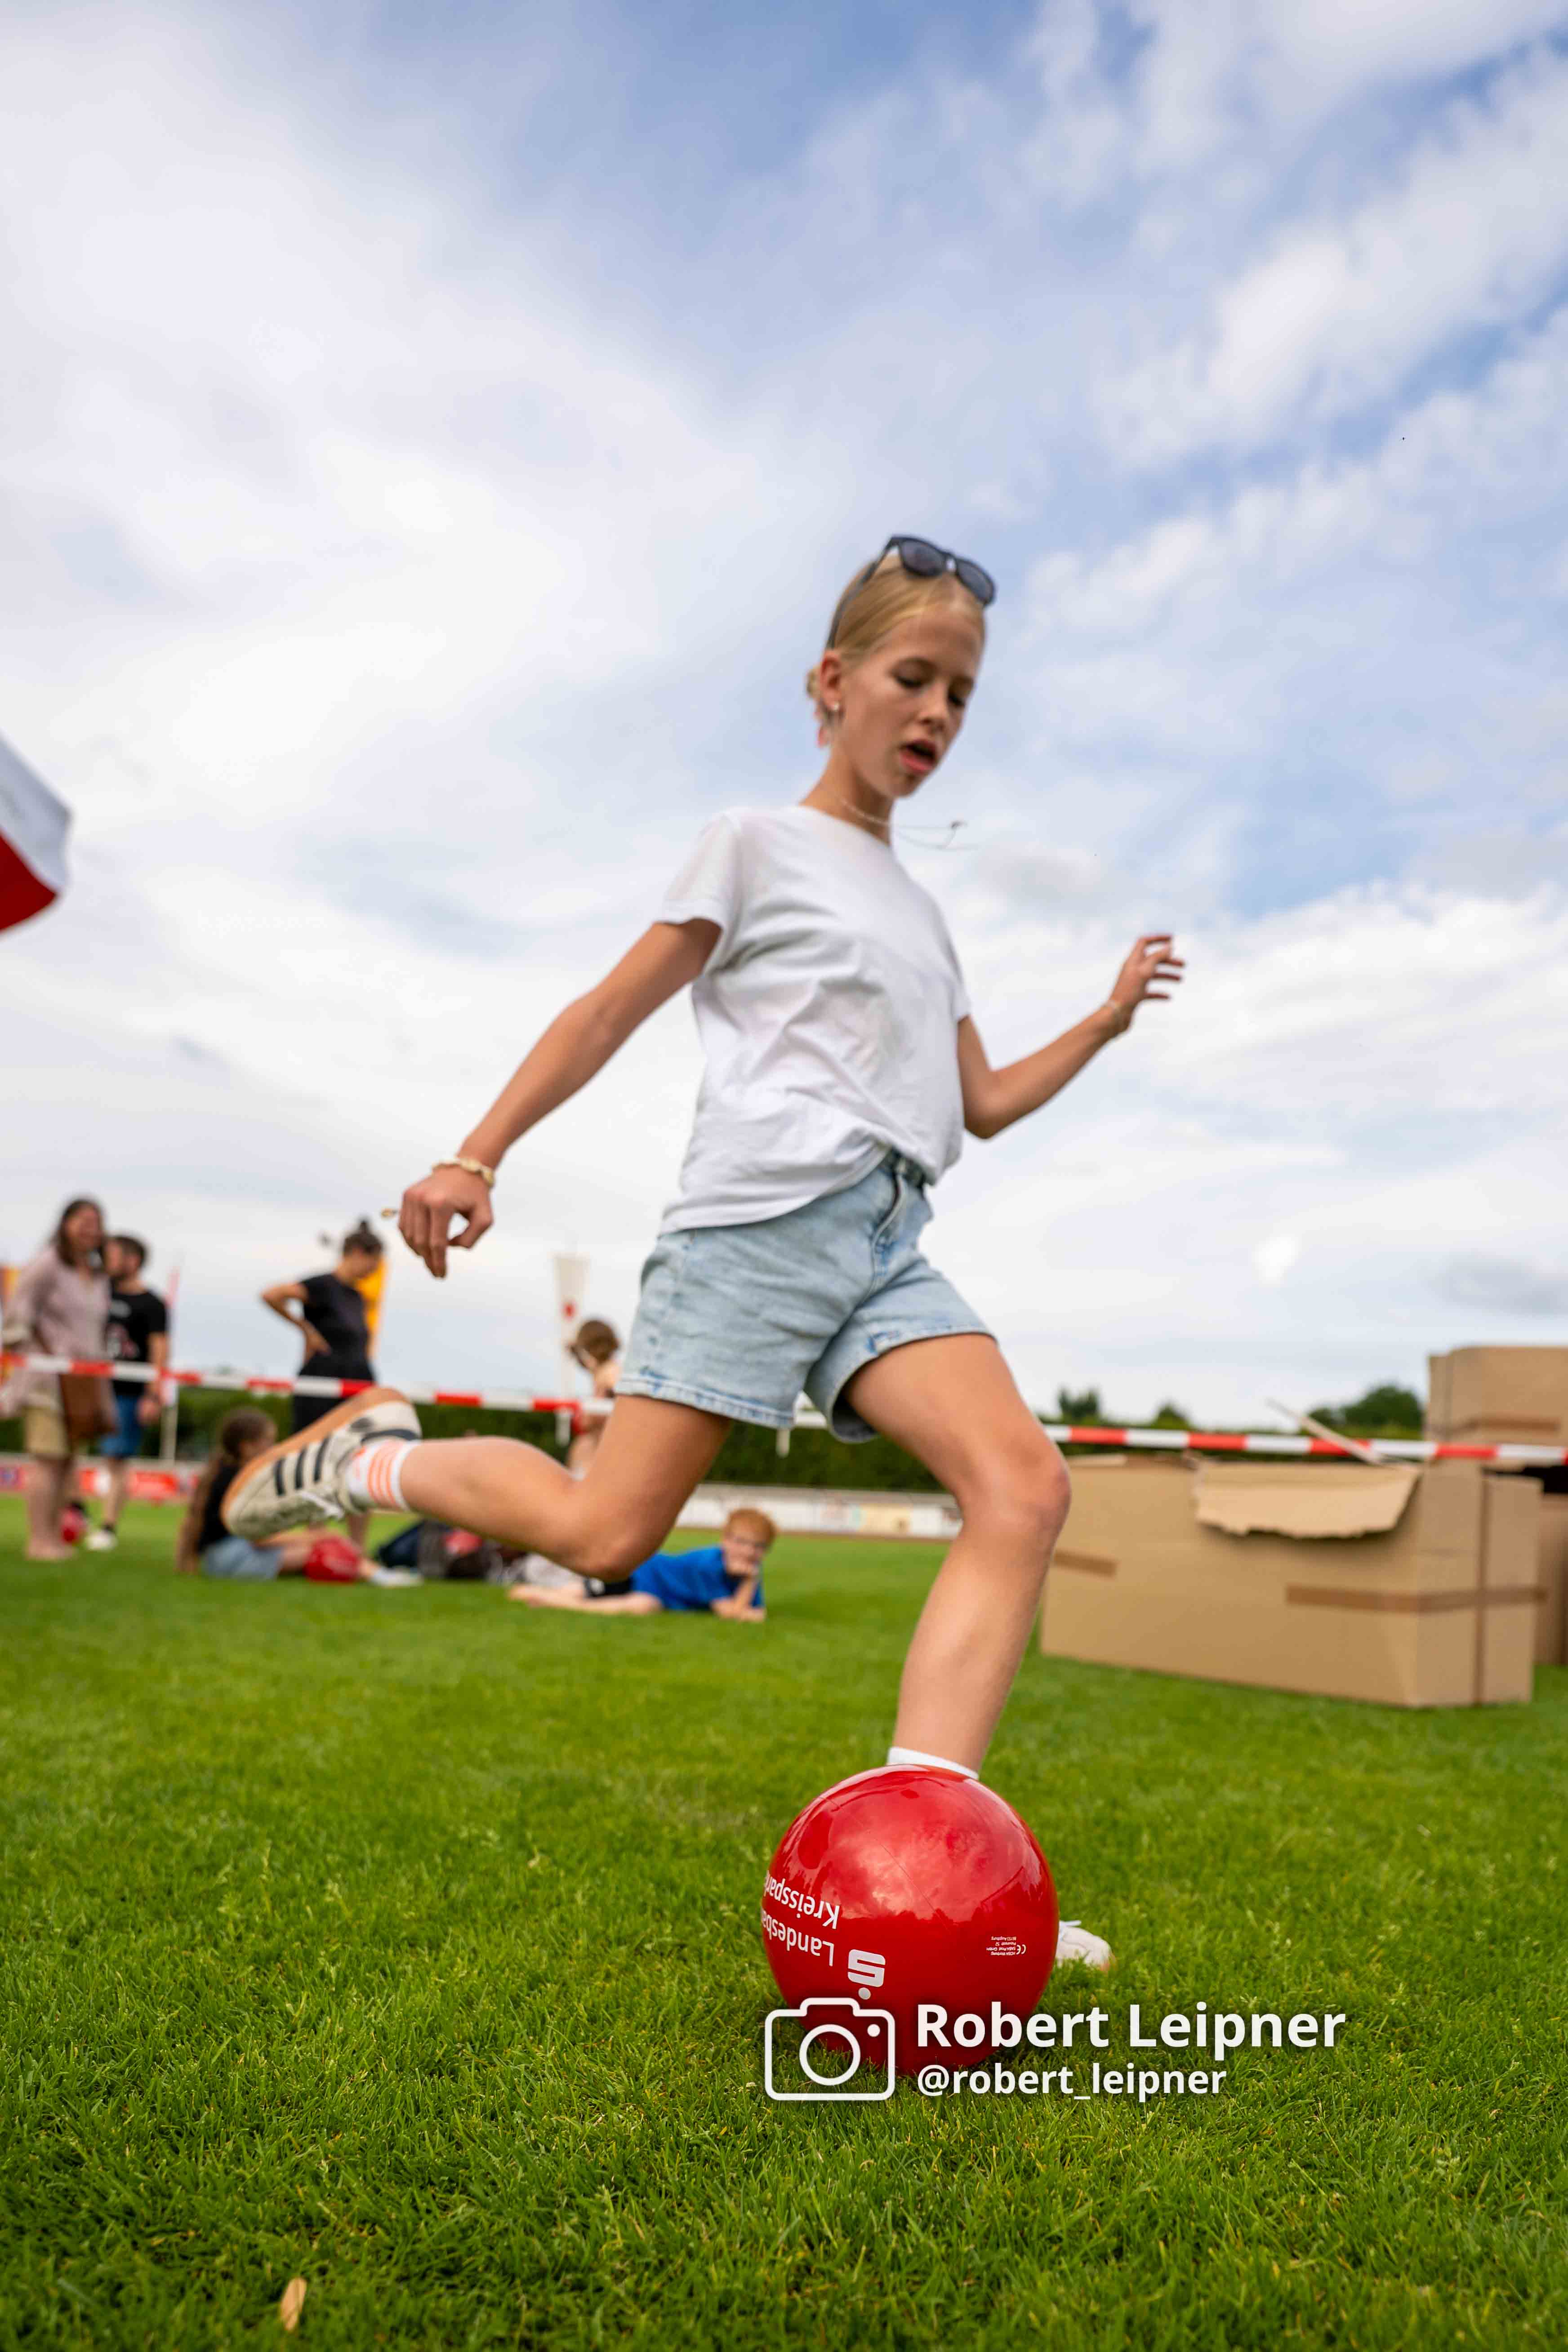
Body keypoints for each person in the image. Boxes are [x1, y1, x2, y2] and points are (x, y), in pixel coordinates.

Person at [223, 535, 1184, 1967]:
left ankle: (937, 1874)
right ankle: (368, 1458)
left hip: (884, 1238)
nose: (933, 716)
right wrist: (475, 1153)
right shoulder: (753, 842)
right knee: (608, 1536)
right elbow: (609, 1008)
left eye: (960, 697)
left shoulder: (922, 916)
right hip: (753, 1232)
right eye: (911, 679)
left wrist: (1101, 1023)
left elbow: (975, 1105)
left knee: (1022, 1487)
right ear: (832, 679)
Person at [175, 1408, 414, 1584]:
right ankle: (380, 1576)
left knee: (321, 1543)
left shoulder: (223, 1474)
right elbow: (260, 1539)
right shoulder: (240, 1482)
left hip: (220, 1559)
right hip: (233, 1558)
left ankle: (377, 1574)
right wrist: (316, 1537)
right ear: (247, 1447)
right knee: (322, 1550)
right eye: (268, 1441)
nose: (275, 1447)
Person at [259, 1220, 383, 1550]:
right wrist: (305, 1329)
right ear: (357, 1253)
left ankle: (357, 1549)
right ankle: (314, 1542)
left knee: (361, 1462)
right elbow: (271, 1295)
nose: (375, 1270)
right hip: (323, 1383)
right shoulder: (322, 1286)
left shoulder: (358, 1296)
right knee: (317, 1463)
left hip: (358, 1385)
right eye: (374, 1262)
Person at [0, 1197, 111, 1560]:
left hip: (81, 1383)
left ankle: (53, 1537)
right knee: (47, 1457)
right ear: (64, 1223)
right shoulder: (47, 1263)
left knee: (65, 1459)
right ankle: (39, 1540)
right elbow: (17, 1315)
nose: (89, 1227)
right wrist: (35, 1356)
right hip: (46, 1380)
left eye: (95, 1221)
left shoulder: (95, 1273)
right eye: (82, 1219)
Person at [510, 1505, 772, 1617]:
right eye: (741, 1542)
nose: (748, 1552)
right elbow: (734, 1613)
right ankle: (540, 1594)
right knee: (589, 1591)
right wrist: (750, 1583)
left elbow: (754, 1611)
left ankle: (559, 1604)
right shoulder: (710, 1564)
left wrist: (749, 1590)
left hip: (661, 1596)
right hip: (644, 1571)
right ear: (725, 1540)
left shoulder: (747, 1570)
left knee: (644, 1606)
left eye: (757, 1546)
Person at [85, 1234, 169, 1552]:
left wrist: (153, 1395)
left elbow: (160, 1349)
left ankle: (107, 1527)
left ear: (132, 1261)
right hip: (88, 1386)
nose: (105, 1261)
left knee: (116, 1458)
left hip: (128, 1393)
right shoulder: (96, 1292)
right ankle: (76, 1512)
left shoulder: (152, 1304)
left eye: (113, 1255)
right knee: (67, 1449)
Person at [566, 1317, 621, 1473]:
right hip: (606, 1449)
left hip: (610, 1452)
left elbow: (590, 1419)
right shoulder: (607, 1373)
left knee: (583, 1447)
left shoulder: (609, 1375)